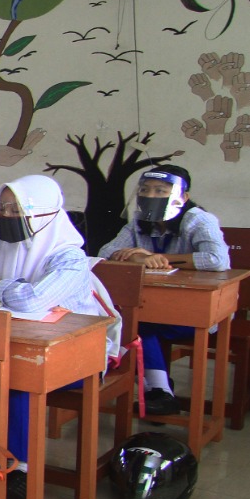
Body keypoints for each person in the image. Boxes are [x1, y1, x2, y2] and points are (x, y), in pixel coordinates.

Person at [0, 175, 108, 499]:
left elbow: (35, 303)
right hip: (11, 342)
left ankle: (19, 468)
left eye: (15, 208)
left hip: (73, 353)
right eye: (2, 207)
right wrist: (4, 289)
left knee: (15, 382)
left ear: (45, 213)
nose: (5, 215)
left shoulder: (69, 257)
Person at [97, 165, 230, 415]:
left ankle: (157, 389)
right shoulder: (138, 222)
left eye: (161, 191)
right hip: (151, 307)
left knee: (137, 325)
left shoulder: (199, 220)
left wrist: (159, 257)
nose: (152, 196)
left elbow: (217, 260)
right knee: (135, 323)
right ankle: (159, 392)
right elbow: (105, 252)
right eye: (146, 190)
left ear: (183, 197)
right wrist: (137, 258)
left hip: (199, 311)